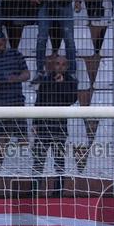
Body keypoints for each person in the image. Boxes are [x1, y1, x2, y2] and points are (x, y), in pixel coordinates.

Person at [0, 30, 31, 169]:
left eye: (1, 44)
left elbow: (27, 74)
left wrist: (16, 78)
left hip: (16, 102)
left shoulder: (16, 55)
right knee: (2, 137)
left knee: (22, 138)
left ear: (5, 41)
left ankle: (25, 169)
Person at [32, 54, 77, 186]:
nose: (60, 67)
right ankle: (34, 191)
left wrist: (61, 84)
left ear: (67, 66)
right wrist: (35, 123)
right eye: (58, 64)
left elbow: (71, 100)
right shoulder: (45, 81)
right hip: (43, 128)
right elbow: (38, 102)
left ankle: (58, 192)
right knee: (38, 161)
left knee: (59, 161)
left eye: (63, 64)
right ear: (54, 65)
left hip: (59, 128)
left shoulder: (71, 82)